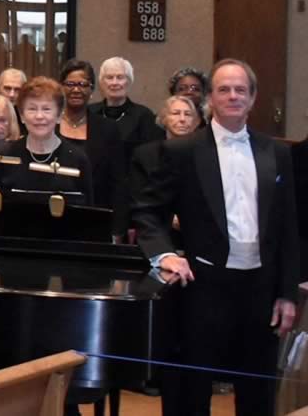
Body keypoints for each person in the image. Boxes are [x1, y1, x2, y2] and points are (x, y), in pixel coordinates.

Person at [134, 59, 299, 416]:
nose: (233, 96)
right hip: (204, 286)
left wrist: (287, 293)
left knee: (257, 393)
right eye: (224, 89)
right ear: (210, 98)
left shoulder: (278, 153)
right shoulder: (182, 151)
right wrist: (165, 255)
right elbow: (147, 212)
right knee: (192, 392)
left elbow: (288, 227)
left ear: (253, 98)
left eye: (241, 89)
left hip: (261, 287)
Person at [56, 59, 129, 237]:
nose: (76, 89)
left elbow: (119, 183)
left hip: (96, 217)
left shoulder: (108, 129)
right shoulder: (50, 124)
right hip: (53, 215)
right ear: (61, 87)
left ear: (92, 89)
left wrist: (117, 230)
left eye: (83, 84)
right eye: (70, 84)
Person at [0, 76, 95, 207]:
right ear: (21, 116)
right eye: (32, 109)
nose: (39, 116)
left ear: (59, 116)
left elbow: (88, 211)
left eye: (46, 109)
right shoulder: (8, 155)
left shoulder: (77, 158)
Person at [128, 95, 202, 228]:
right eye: (175, 113)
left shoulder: (204, 154)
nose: (182, 119)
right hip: (156, 227)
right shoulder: (144, 155)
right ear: (164, 119)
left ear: (196, 122)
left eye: (188, 114)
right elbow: (138, 197)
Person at [87, 56, 163, 157]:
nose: (114, 83)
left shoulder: (144, 116)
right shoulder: (89, 113)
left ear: (129, 81)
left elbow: (151, 156)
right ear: (102, 83)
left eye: (120, 77)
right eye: (109, 77)